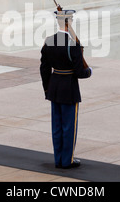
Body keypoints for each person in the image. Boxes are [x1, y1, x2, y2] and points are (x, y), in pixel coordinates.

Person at [40, 9, 92, 169]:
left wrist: (47, 89)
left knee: (56, 126)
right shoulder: (72, 45)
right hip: (69, 89)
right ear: (69, 22)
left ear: (58, 21)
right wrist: (88, 72)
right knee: (68, 126)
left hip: (54, 88)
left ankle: (58, 159)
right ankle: (67, 160)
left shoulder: (48, 41)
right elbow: (79, 73)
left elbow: (44, 69)